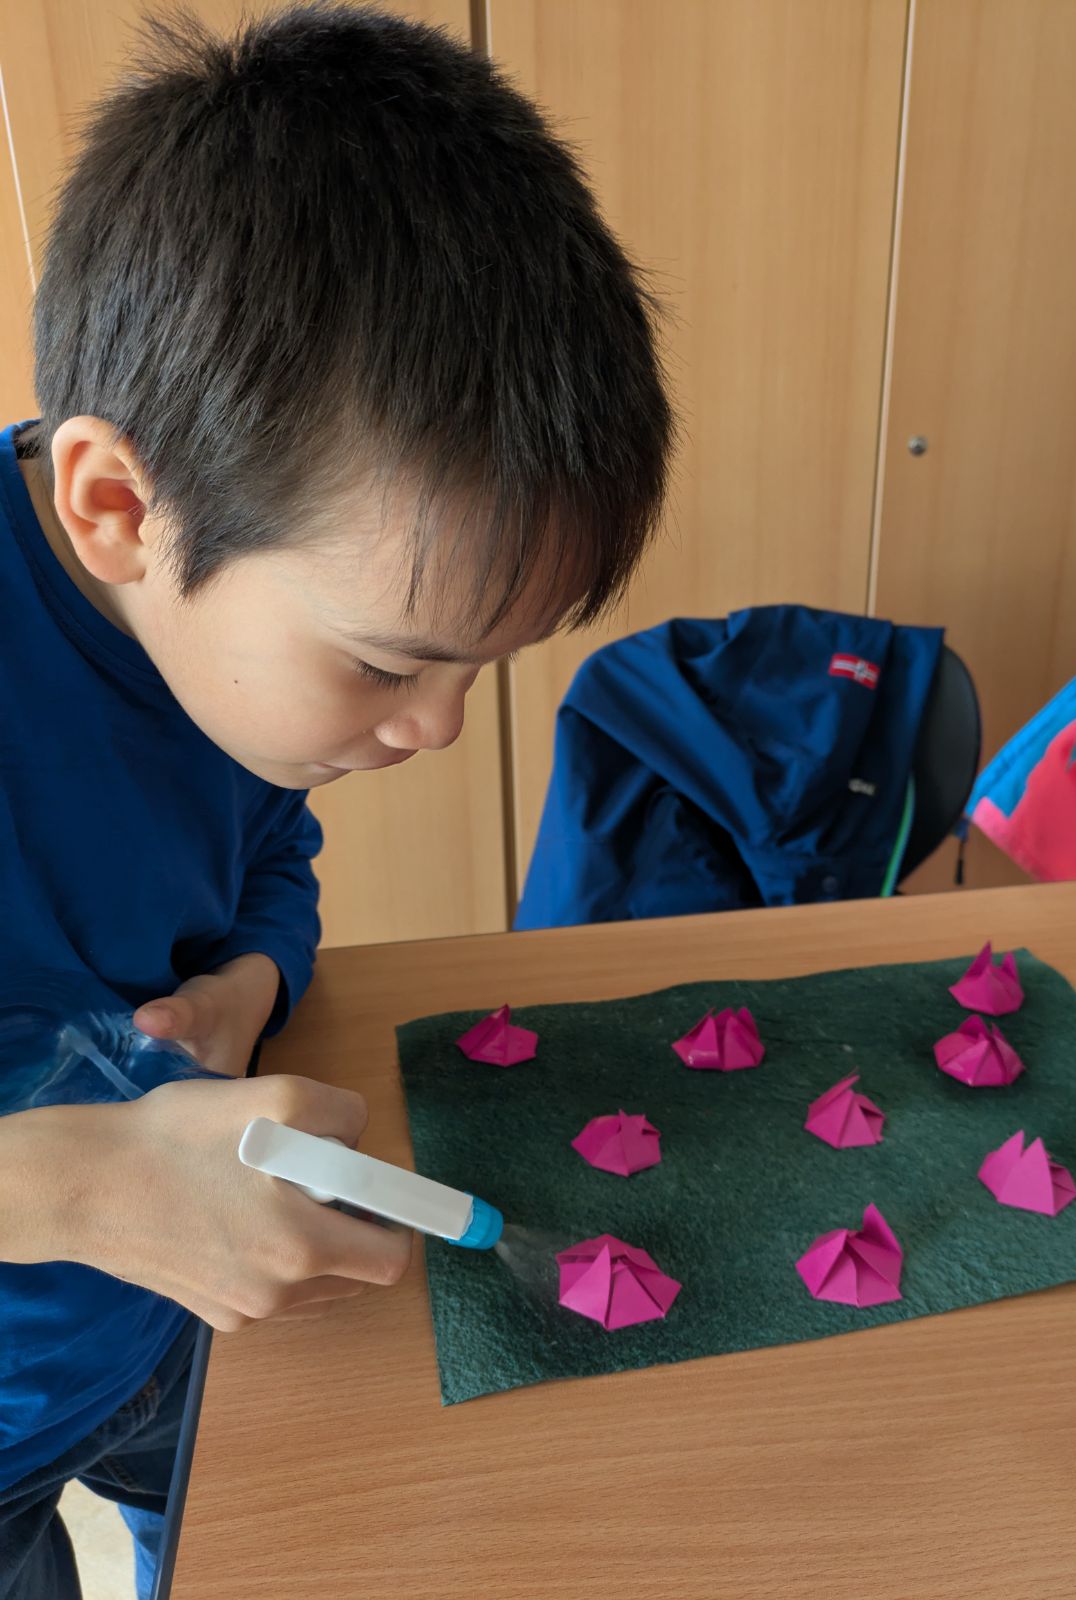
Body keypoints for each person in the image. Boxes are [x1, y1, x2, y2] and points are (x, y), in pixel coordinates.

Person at [0, 6, 673, 1596]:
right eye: (388, 665)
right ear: (118, 506)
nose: (434, 727)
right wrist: (84, 1184)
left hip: (184, 1334)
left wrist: (252, 976)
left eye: (479, 670)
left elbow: (270, 862)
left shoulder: (230, 656)